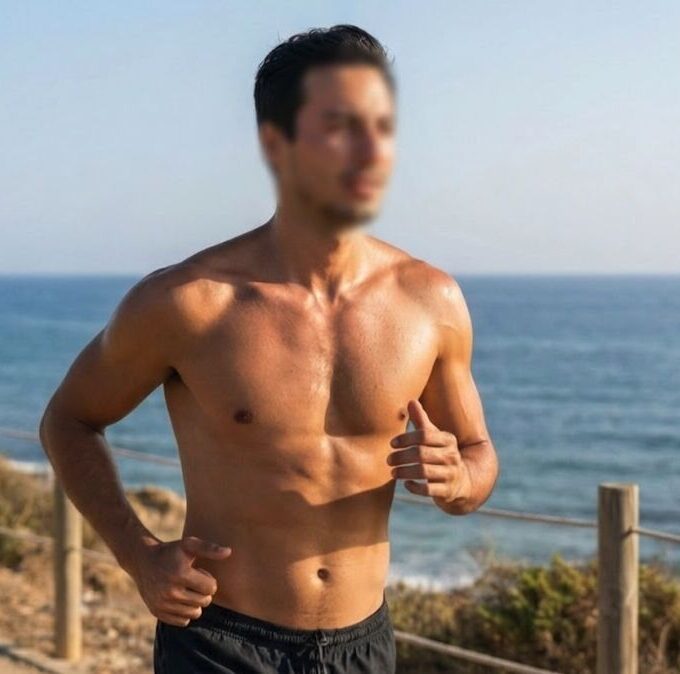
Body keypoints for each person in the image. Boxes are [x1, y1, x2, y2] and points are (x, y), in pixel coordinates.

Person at [39, 23, 500, 674]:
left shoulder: (431, 301)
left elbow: (478, 456)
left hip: (363, 646)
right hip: (220, 644)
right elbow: (68, 420)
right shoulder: (188, 303)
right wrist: (139, 555)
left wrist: (459, 478)